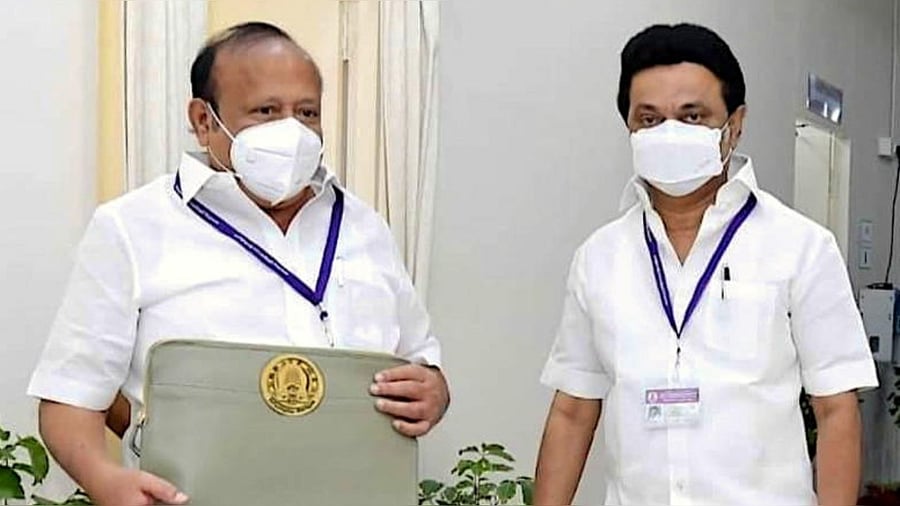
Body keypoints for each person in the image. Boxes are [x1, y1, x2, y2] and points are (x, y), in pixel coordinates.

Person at [27, 22, 449, 506]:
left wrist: (433, 390)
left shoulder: (364, 226)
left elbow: (422, 361)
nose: (291, 130)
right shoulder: (131, 227)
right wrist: (105, 479)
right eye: (266, 111)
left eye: (307, 112)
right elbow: (69, 398)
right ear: (203, 120)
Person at [534, 23, 877, 506]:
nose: (669, 133)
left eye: (691, 116)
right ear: (629, 128)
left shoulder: (801, 247)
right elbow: (572, 410)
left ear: (734, 125)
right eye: (649, 119)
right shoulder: (599, 258)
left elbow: (837, 409)